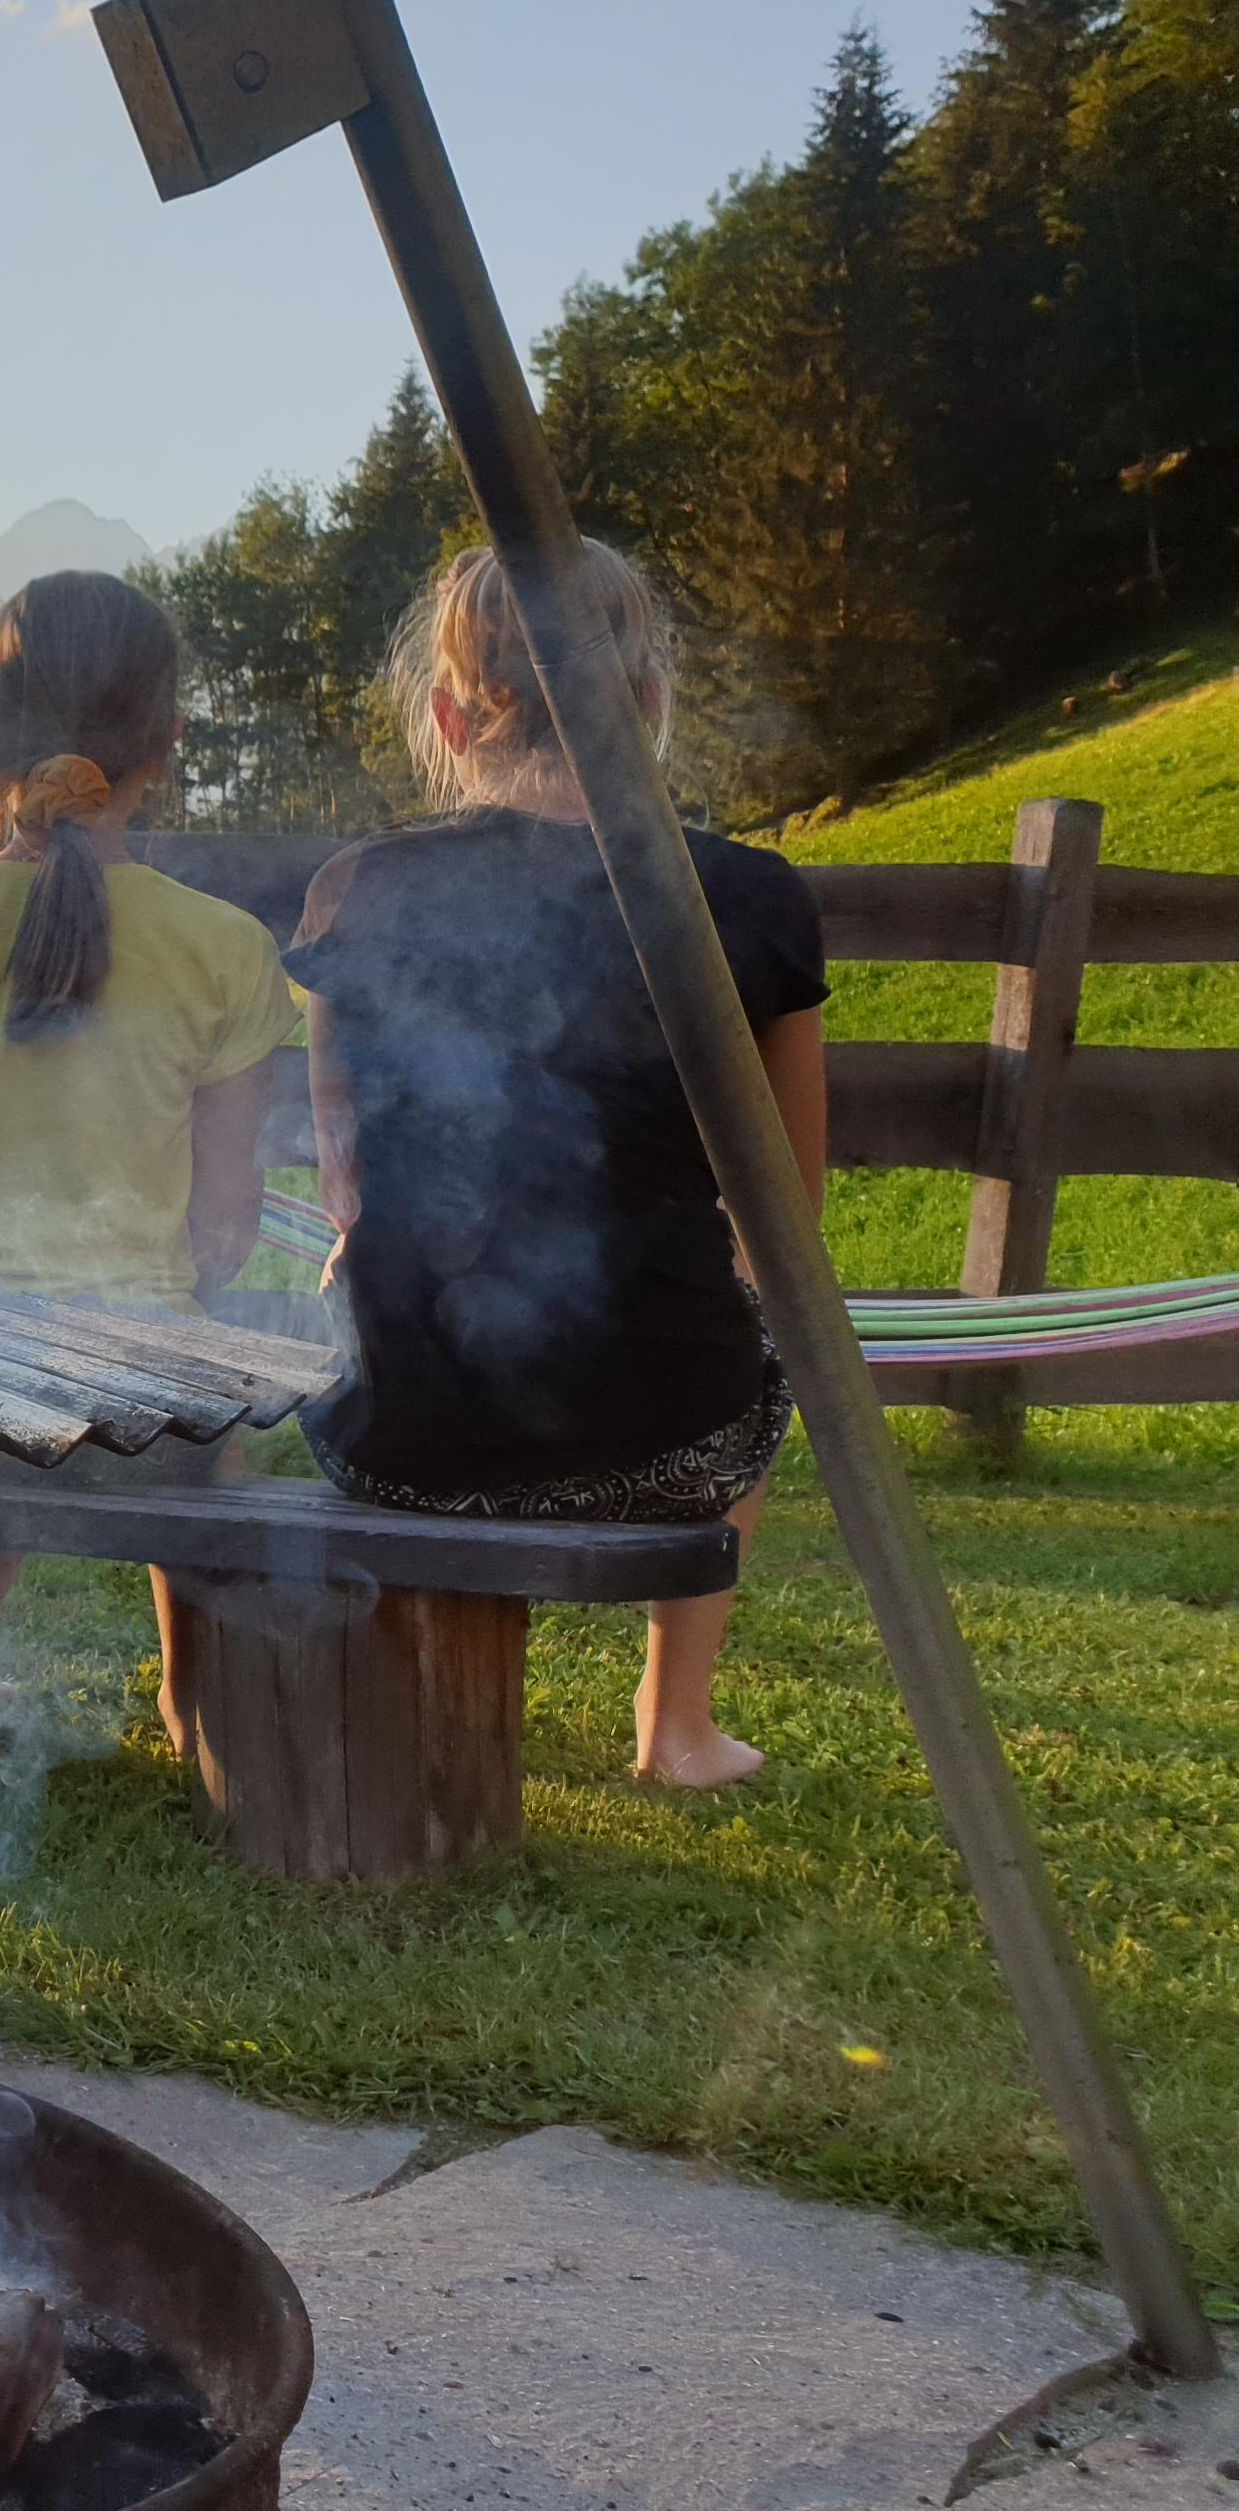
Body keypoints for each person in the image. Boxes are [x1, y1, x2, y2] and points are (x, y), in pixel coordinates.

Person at [289, 541, 827, 1787]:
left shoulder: (357, 892)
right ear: (649, 700)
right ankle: (675, 1725)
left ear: (445, 718)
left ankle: (438, 1698)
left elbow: (342, 1181)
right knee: (755, 1336)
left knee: (368, 1294)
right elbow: (787, 1216)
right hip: (673, 1440)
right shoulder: (749, 897)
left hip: (399, 1445)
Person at [0, 570, 295, 1721]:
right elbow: (226, 1224)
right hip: (120, 1396)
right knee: (202, 1423)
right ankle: (203, 1707)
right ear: (169, 741)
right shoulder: (227, 946)